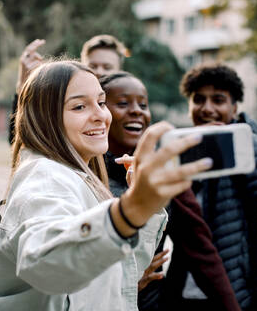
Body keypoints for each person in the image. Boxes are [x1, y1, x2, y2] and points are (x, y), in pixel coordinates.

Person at [0, 60, 212, 310]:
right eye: (80, 106)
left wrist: (145, 209)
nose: (101, 116)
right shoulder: (46, 177)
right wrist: (130, 210)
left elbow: (120, 274)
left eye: (101, 102)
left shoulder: (78, 176)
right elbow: (48, 265)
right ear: (44, 117)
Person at [100, 72, 241, 311]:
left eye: (143, 104)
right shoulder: (82, 170)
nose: (137, 111)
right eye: (123, 103)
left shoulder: (166, 171)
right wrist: (129, 280)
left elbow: (202, 252)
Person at [177, 63, 257, 310]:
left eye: (218, 100)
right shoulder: (190, 150)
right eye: (198, 100)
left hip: (235, 298)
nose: (207, 109)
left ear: (234, 107)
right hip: (189, 293)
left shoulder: (253, 151)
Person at [9, 34, 129, 143]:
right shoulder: (62, 99)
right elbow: (20, 141)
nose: (99, 72)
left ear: (120, 71)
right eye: (93, 66)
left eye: (107, 67)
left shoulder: (131, 111)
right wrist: (23, 87)